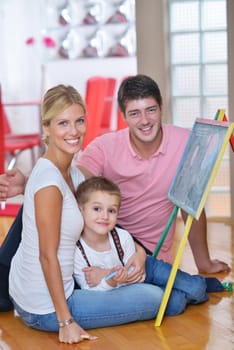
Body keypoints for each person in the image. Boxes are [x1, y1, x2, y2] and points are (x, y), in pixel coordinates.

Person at [0, 74, 229, 282]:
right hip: (104, 241)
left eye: (151, 110)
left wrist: (204, 263)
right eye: (134, 113)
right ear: (124, 117)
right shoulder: (105, 146)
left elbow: (190, 207)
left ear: (162, 107)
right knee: (44, 198)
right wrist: (28, 183)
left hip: (147, 251)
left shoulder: (184, 143)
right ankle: (3, 277)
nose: (144, 120)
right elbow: (72, 182)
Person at [5, 84, 165, 344]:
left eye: (79, 121)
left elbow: (103, 215)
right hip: (45, 307)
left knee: (152, 276)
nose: (74, 131)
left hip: (33, 292)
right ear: (46, 128)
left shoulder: (72, 174)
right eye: (63, 123)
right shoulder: (49, 182)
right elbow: (47, 256)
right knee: (157, 298)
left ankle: (185, 288)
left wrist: (137, 251)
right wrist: (66, 322)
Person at [73, 176, 224, 316]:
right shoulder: (77, 251)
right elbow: (89, 290)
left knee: (196, 290)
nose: (105, 216)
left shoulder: (122, 237)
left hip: (150, 269)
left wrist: (105, 273)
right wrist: (110, 280)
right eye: (97, 209)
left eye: (111, 210)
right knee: (175, 305)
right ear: (81, 209)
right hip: (130, 287)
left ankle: (201, 283)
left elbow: (134, 270)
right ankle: (181, 290)